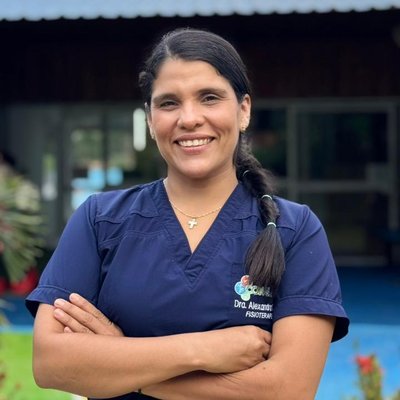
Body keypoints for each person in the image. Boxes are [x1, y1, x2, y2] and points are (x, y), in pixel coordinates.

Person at [26, 28, 349, 400]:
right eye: (169, 103)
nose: (190, 118)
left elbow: (287, 390)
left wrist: (124, 361)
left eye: (209, 97)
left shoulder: (295, 229)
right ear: (150, 120)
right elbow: (51, 363)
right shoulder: (101, 220)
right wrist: (202, 349)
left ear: (243, 110)